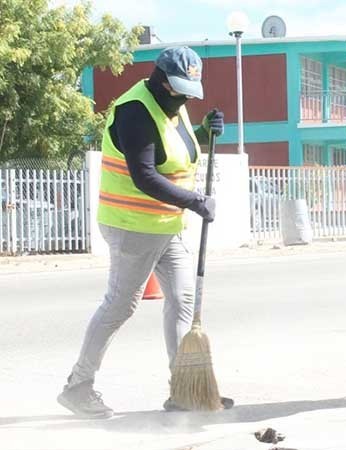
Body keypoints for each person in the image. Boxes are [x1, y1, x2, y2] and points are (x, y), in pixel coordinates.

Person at [57, 47, 231, 418]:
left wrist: (202, 130)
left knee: (184, 301)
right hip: (131, 228)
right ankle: (78, 387)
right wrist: (195, 200)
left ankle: (186, 390)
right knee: (120, 305)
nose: (186, 96)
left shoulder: (172, 103)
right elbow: (145, 175)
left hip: (166, 227)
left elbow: (176, 153)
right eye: (181, 89)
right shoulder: (134, 111)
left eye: (191, 90)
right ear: (162, 80)